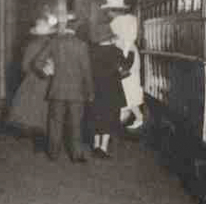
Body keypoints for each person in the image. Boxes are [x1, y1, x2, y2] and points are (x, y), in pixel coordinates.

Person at [44, 12, 94, 162]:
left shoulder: (54, 42)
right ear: (76, 29)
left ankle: (53, 154)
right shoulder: (82, 45)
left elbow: (38, 62)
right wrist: (90, 91)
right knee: (76, 123)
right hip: (76, 92)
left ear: (65, 28)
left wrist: (48, 70)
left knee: (55, 123)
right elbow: (86, 71)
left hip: (57, 90)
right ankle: (76, 154)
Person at [5, 15, 56, 143]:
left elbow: (25, 66)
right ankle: (43, 134)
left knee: (29, 107)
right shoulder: (52, 44)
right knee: (45, 109)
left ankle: (33, 134)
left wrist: (31, 73)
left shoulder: (31, 45)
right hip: (49, 80)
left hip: (33, 79)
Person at [87, 20, 125, 158]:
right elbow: (124, 70)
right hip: (111, 90)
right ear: (110, 36)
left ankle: (95, 146)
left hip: (95, 88)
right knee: (109, 118)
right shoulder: (117, 52)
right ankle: (103, 148)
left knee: (95, 116)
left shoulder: (91, 52)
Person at [110, 13, 145, 132]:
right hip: (129, 76)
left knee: (129, 99)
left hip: (128, 77)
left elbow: (126, 63)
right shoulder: (129, 44)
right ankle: (134, 120)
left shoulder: (128, 45)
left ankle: (139, 120)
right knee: (129, 100)